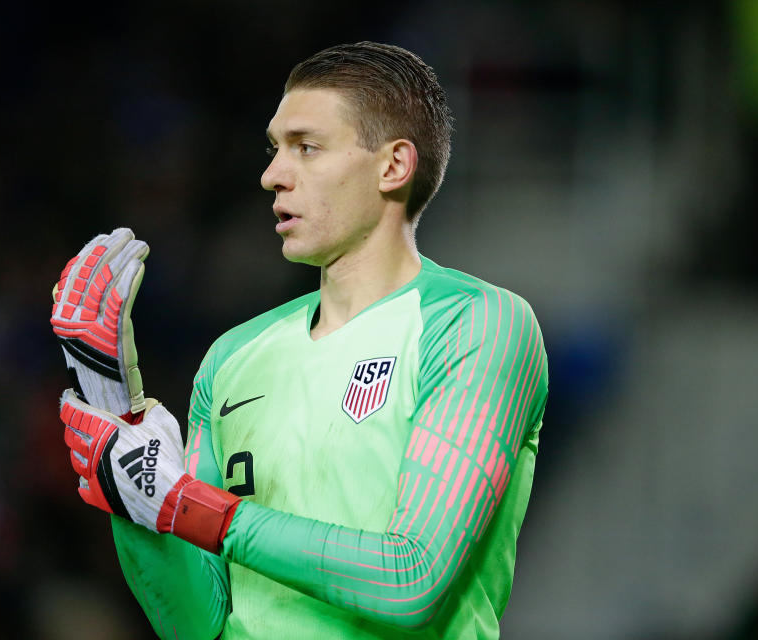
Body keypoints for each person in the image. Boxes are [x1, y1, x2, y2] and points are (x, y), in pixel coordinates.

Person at [50, 42, 549, 640]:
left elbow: (410, 581)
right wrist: (116, 432)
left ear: (393, 166)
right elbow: (196, 624)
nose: (271, 175)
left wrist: (187, 506)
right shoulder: (232, 357)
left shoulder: (476, 323)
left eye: (306, 148)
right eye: (274, 149)